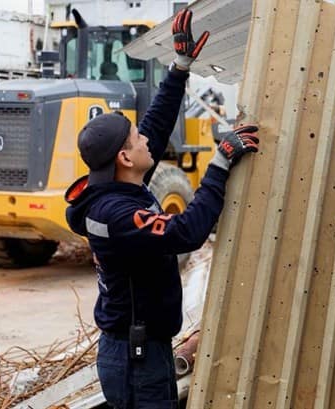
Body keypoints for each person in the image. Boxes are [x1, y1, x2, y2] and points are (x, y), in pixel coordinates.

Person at [64, 9, 259, 408]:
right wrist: (220, 163)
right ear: (124, 157)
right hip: (136, 359)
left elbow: (154, 123)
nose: (147, 140)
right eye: (137, 139)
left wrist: (180, 68)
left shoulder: (118, 183)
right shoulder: (116, 215)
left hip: (142, 350)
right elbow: (187, 232)